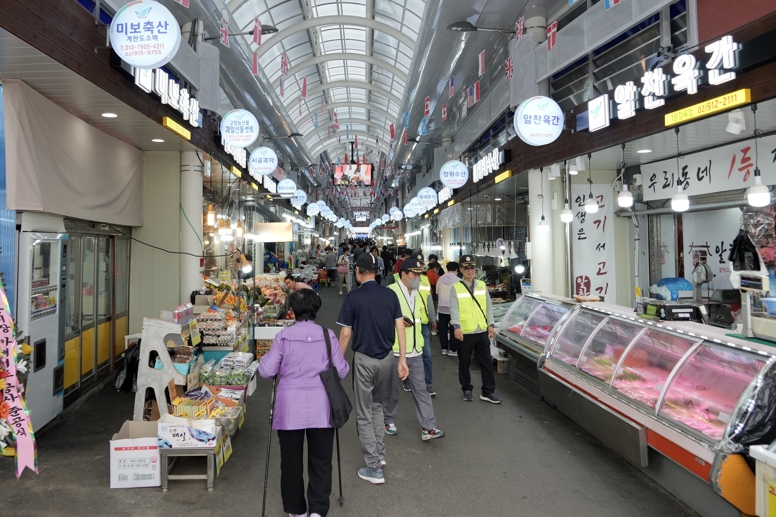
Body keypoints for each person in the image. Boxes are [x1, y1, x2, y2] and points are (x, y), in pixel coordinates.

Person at [258, 289, 349, 517]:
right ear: (316, 310)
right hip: (323, 408)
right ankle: (318, 510)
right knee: (321, 461)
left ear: (292, 311)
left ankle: (296, 511)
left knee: (291, 463)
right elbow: (342, 370)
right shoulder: (328, 336)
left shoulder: (283, 337)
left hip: (289, 410)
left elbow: (267, 371)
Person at [337, 252, 408, 485]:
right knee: (378, 407)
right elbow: (400, 328)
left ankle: (374, 468)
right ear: (377, 271)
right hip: (387, 359)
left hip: (365, 361)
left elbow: (346, 333)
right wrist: (402, 360)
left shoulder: (353, 299)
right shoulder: (390, 295)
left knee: (364, 414)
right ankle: (380, 454)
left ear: (357, 271)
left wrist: (337, 361)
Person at [383, 256, 445, 441]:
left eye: (419, 274)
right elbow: (380, 319)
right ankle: (388, 420)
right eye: (414, 274)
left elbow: (422, 317)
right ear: (403, 274)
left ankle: (429, 427)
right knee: (393, 390)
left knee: (421, 389)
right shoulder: (390, 292)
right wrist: (396, 321)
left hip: (416, 350)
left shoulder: (418, 293)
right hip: (395, 351)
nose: (418, 277)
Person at [450, 255, 501, 404]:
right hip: (465, 332)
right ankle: (467, 388)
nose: (470, 270)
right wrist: (456, 327)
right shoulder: (456, 287)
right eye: (466, 268)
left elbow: (488, 306)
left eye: (472, 267)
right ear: (461, 269)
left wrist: (490, 324)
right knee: (464, 362)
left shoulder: (481, 285)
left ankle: (488, 391)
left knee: (486, 362)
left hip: (481, 330)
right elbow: (454, 309)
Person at [436, 262, 461, 357]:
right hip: (453, 308)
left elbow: (437, 292)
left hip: (442, 307)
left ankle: (444, 348)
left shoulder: (440, 278)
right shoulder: (458, 280)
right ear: (457, 269)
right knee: (454, 328)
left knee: (443, 329)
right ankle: (453, 349)